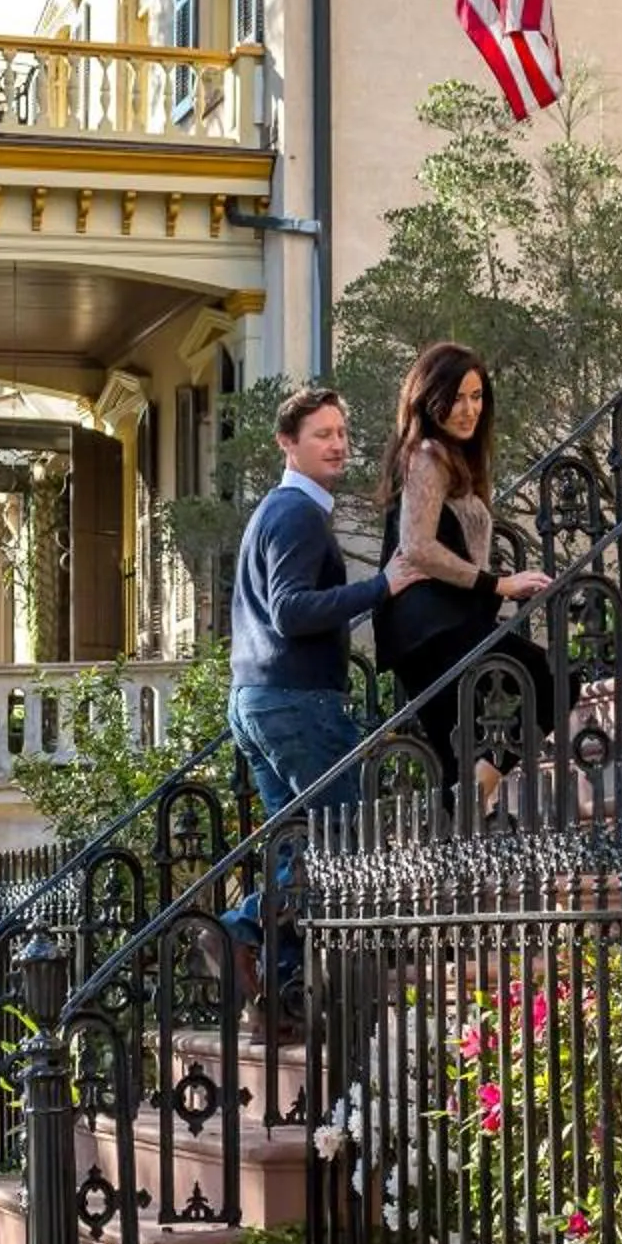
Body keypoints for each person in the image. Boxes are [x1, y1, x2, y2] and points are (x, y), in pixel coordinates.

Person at [221, 386, 417, 997]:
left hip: (256, 699)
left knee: (302, 845)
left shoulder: (276, 512)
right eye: (321, 435)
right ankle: (243, 923)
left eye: (341, 433)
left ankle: (277, 986)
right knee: (347, 831)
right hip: (295, 700)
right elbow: (289, 610)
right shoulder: (297, 514)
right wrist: (382, 587)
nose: (337, 445)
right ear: (287, 443)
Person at [377, 343, 556, 808]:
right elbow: (416, 545)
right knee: (551, 677)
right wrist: (498, 583)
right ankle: (478, 794)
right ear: (429, 398)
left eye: (477, 397)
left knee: (457, 754)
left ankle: (464, 814)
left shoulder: (451, 459)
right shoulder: (428, 454)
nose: (469, 409)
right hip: (431, 627)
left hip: (433, 627)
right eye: (457, 397)